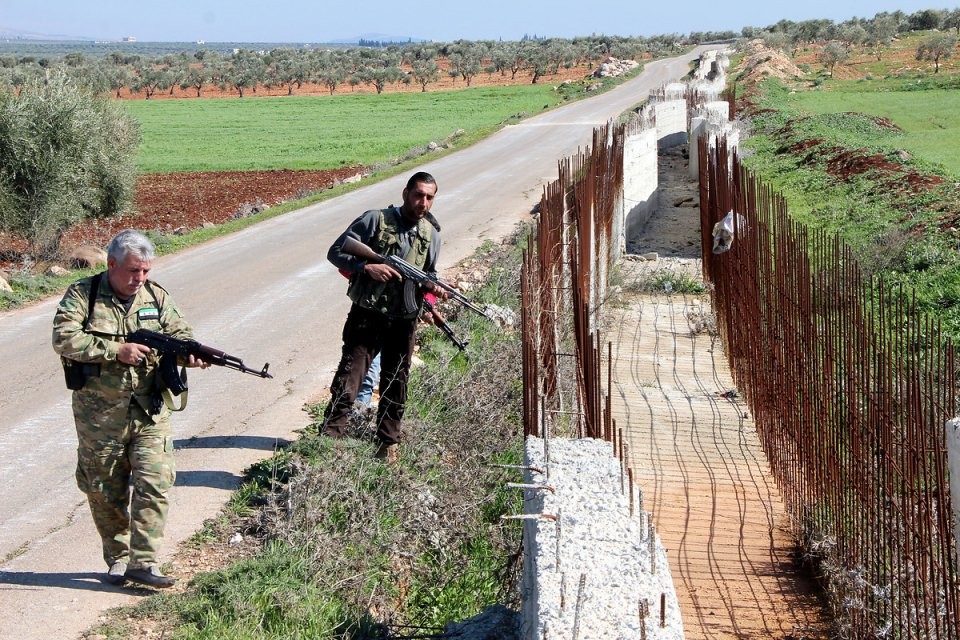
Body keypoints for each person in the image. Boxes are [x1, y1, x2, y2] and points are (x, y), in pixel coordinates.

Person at [52, 229, 208, 588]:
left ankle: (144, 562)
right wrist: (116, 351)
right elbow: (63, 338)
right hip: (99, 417)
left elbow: (180, 334)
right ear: (111, 265)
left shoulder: (156, 296)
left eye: (146, 271)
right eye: (134, 271)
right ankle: (118, 556)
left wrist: (190, 354)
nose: (140, 279)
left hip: (150, 411)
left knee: (155, 482)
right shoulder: (84, 295)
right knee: (104, 490)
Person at [322, 171, 446, 463]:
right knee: (350, 378)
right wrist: (366, 267)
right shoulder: (375, 220)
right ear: (405, 193)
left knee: (396, 382)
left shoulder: (431, 235)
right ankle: (329, 442)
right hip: (368, 315)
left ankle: (387, 447)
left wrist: (432, 294)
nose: (423, 203)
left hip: (404, 320)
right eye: (418, 195)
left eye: (429, 197)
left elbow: (429, 275)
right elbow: (336, 252)